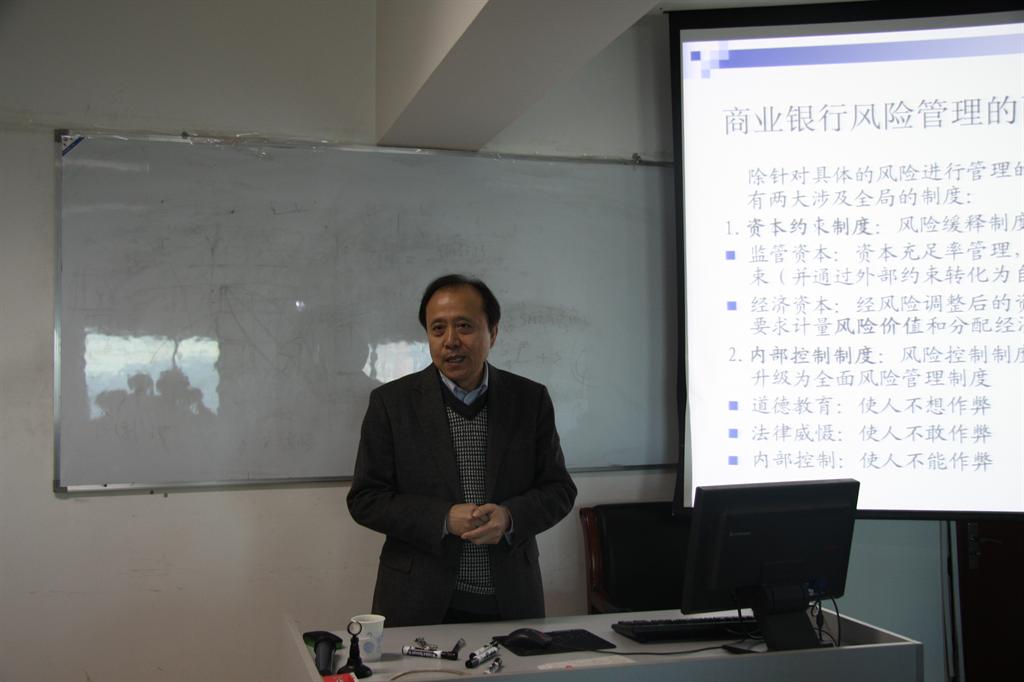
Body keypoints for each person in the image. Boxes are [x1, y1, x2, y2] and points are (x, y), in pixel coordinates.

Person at [347, 274, 577, 627]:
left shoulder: (529, 400)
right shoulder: (391, 404)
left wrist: (510, 517)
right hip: (417, 599)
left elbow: (559, 490)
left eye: (464, 326)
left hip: (510, 598)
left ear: (493, 332)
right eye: (437, 329)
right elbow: (366, 499)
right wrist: (442, 518)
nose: (451, 341)